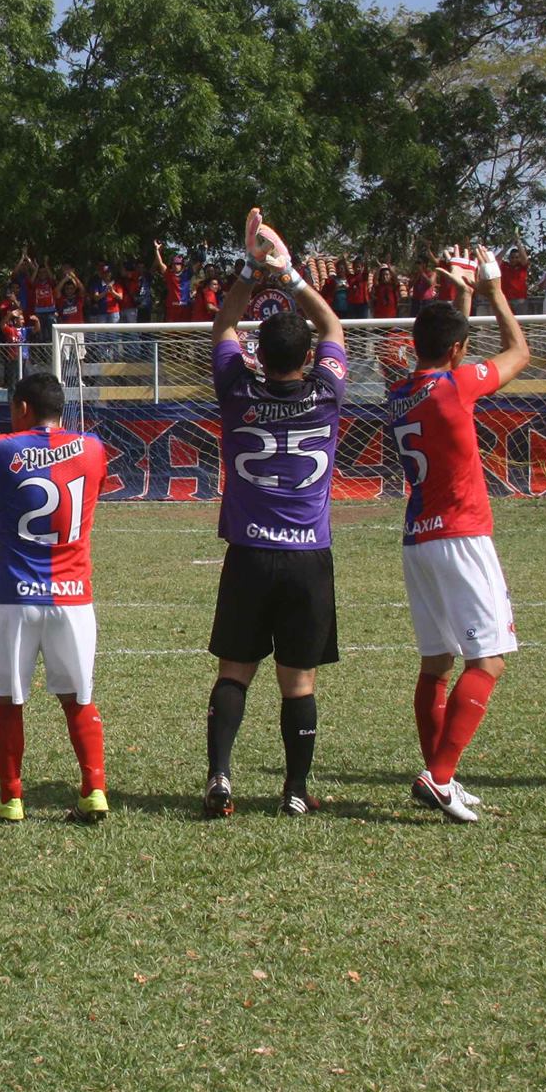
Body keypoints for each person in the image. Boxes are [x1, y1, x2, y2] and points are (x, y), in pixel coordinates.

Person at [202, 211, 347, 818]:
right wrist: (288, 276)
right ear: (309, 356)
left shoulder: (238, 389)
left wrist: (249, 270)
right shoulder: (328, 391)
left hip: (249, 553)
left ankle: (220, 777)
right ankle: (294, 790)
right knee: (299, 681)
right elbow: (332, 323)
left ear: (256, 355)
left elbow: (223, 325)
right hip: (307, 556)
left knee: (235, 671)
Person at [388, 245, 530, 823]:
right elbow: (519, 353)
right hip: (461, 534)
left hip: (418, 538)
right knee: (488, 660)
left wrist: (461, 298)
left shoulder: (401, 392)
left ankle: (440, 775)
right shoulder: (457, 385)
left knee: (436, 664)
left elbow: (446, 354)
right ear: (457, 350)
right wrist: (494, 291)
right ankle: (440, 776)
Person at [0, 370, 109, 823]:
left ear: (24, 408)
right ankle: (94, 790)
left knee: (8, 699)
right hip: (72, 595)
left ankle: (11, 799)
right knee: (78, 699)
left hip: (15, 593)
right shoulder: (93, 447)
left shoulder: (2, 447)